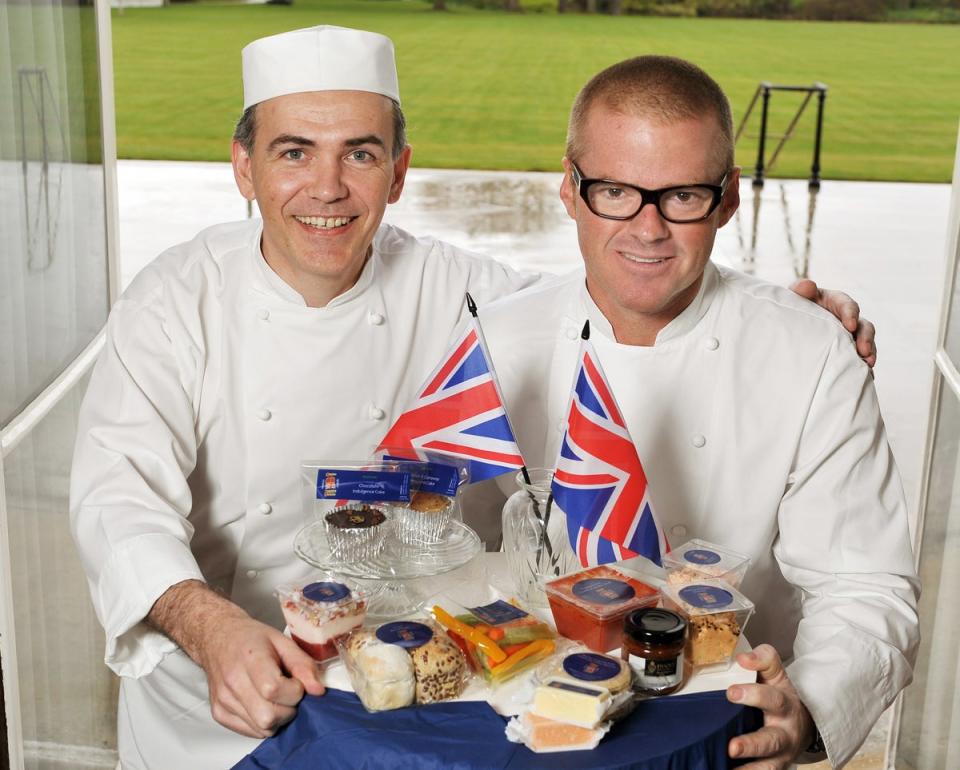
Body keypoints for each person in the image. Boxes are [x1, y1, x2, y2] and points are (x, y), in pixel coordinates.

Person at [69, 25, 878, 770]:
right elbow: (117, 499)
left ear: (399, 169)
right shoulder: (172, 300)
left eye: (359, 153)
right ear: (243, 166)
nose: (327, 188)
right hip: (208, 700)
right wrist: (212, 628)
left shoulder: (467, 296)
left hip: (389, 695)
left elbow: (622, 286)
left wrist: (800, 317)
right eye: (292, 152)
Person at [478, 55, 919, 769]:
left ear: (728, 198)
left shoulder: (811, 352)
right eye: (615, 190)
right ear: (569, 188)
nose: (647, 229)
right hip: (528, 724)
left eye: (682, 196)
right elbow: (457, 558)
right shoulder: (495, 342)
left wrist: (803, 711)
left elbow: (864, 585)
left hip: (725, 732)